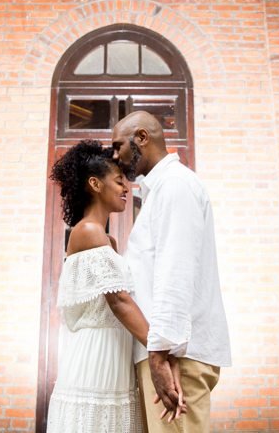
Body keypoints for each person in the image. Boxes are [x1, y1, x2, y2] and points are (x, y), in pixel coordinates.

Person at [46, 139, 184, 433]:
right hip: (96, 356)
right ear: (95, 184)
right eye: (119, 181)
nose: (126, 188)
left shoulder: (107, 241)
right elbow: (119, 301)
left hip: (117, 356)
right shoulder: (89, 232)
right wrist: (163, 354)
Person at [112, 111, 232, 433]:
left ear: (141, 138)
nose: (114, 155)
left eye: (117, 145)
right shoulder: (162, 189)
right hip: (169, 352)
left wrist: (160, 355)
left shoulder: (175, 185)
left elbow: (174, 273)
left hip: (176, 357)